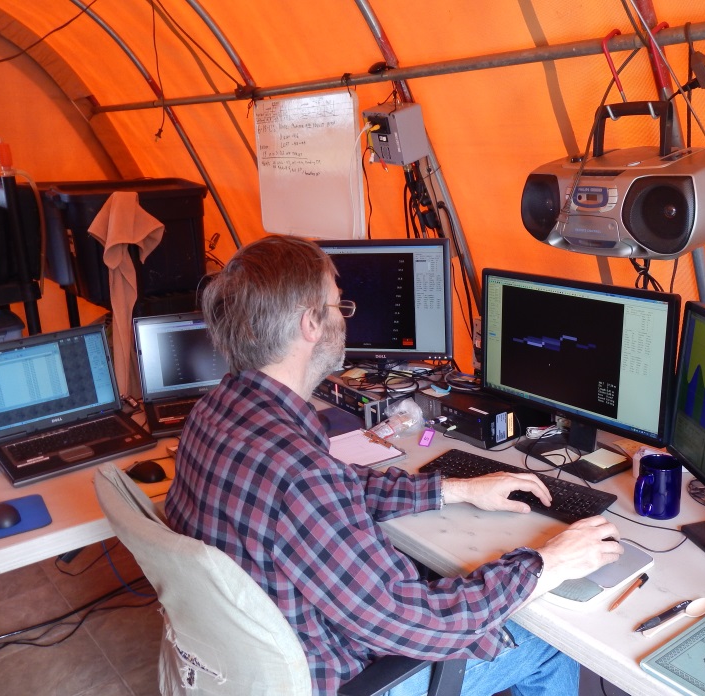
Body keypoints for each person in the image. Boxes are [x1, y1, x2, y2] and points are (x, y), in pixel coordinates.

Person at [165, 235, 624, 696]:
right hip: (338, 678)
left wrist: (455, 490)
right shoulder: (299, 475)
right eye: (338, 307)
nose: (344, 320)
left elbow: (335, 489)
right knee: (546, 643)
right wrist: (548, 563)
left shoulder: (216, 411)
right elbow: (418, 622)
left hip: (238, 667)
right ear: (310, 323)